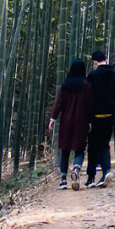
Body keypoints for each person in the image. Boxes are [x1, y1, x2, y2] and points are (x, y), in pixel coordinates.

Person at [46, 59, 93, 190]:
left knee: (65, 150)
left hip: (66, 121)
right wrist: (89, 121)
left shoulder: (65, 86)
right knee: (79, 149)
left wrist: (53, 119)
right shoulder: (87, 86)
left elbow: (59, 104)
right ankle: (76, 169)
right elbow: (89, 106)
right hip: (81, 121)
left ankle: (62, 180)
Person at [86, 50, 115, 187]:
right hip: (110, 114)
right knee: (104, 144)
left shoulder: (92, 75)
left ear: (95, 62)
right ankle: (106, 171)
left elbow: (88, 98)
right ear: (106, 59)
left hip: (95, 115)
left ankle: (91, 177)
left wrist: (87, 118)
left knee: (93, 145)